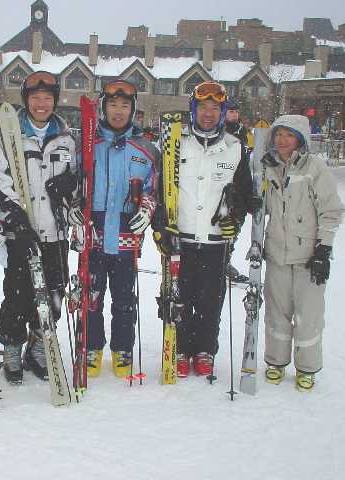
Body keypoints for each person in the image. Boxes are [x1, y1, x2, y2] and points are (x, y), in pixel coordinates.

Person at [152, 82, 253, 378]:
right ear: (193, 110)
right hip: (180, 238)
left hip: (215, 240)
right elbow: (159, 191)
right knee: (179, 298)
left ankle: (205, 349)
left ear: (222, 113)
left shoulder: (235, 149)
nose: (208, 113)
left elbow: (244, 196)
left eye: (215, 108)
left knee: (210, 300)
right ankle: (181, 348)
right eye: (203, 107)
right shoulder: (175, 143)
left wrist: (235, 219)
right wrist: (160, 226)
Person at [69, 79, 158, 379]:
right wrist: (74, 208)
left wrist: (147, 207)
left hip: (125, 233)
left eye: (124, 105)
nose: (118, 111)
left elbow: (154, 188)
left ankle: (123, 348)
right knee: (91, 295)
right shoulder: (87, 144)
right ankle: (91, 346)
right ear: (103, 108)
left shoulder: (145, 149)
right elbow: (74, 184)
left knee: (124, 298)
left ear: (133, 110)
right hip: (93, 231)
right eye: (112, 105)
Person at [0, 71, 77, 384]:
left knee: (53, 295)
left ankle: (40, 347)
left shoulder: (66, 140)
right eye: (35, 98)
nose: (41, 104)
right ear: (26, 100)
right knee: (18, 296)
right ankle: (12, 347)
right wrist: (16, 216)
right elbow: (2, 180)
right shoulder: (9, 135)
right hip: (21, 232)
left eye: (47, 98)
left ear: (55, 100)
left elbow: (76, 182)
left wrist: (69, 186)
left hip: (55, 233)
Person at [261, 115, 345, 391]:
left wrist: (324, 247)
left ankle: (307, 367)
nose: (282, 140)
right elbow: (261, 206)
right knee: (277, 313)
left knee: (308, 315)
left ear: (300, 139)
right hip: (277, 254)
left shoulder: (314, 168)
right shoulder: (267, 167)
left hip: (308, 256)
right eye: (279, 134)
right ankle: (276, 362)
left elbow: (331, 210)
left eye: (289, 135)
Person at [224, 98, 252, 284]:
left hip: (240, 186)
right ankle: (220, 261)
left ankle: (226, 260)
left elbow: (249, 160)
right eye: (230, 111)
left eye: (236, 112)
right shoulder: (220, 130)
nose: (234, 115)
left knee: (235, 226)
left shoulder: (243, 132)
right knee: (221, 225)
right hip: (223, 185)